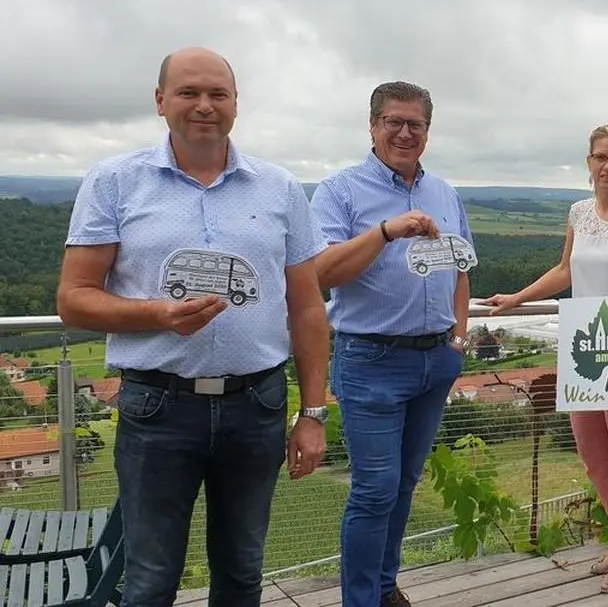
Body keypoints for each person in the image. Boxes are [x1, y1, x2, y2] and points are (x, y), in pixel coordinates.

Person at [55, 46, 330, 607]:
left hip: (257, 404)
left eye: (217, 94)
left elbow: (306, 308)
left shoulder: (279, 188)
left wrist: (313, 414)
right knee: (151, 578)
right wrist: (156, 314)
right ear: (161, 101)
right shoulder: (114, 181)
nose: (204, 105)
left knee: (242, 572)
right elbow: (73, 299)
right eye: (188, 92)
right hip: (158, 407)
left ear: (235, 105)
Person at [480, 124, 608, 594]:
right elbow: (563, 270)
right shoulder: (579, 213)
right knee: (593, 450)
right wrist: (516, 298)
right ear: (589, 162)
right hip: (587, 347)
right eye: (600, 157)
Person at [308, 80, 472, 607]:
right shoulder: (340, 191)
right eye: (393, 122)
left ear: (428, 129)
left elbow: (462, 265)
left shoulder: (443, 192)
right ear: (373, 125)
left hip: (435, 358)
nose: (404, 132)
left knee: (403, 485)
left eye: (415, 124)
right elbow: (320, 272)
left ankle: (382, 587)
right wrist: (384, 232)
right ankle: (361, 600)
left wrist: (460, 335)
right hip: (370, 359)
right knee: (375, 489)